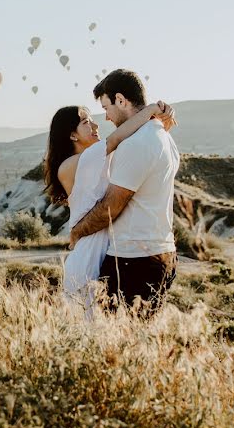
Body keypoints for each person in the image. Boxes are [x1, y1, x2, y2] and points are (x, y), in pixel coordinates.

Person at [45, 99, 174, 314]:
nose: (95, 126)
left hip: (106, 248)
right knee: (90, 326)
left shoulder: (95, 159)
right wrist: (151, 111)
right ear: (72, 135)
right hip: (89, 253)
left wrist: (158, 124)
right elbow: (117, 138)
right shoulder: (71, 165)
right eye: (86, 122)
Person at [68, 69, 180, 317]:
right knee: (138, 340)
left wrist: (77, 231)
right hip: (160, 251)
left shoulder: (136, 143)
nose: (106, 117)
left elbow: (111, 206)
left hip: (134, 258)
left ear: (121, 100)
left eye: (106, 107)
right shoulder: (162, 135)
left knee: (116, 340)